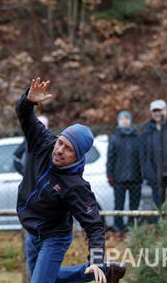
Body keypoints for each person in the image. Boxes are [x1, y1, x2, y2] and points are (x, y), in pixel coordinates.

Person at [16, 77, 126, 283]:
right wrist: (28, 100)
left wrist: (96, 258)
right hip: (33, 231)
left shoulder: (75, 187)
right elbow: (24, 114)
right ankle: (100, 271)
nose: (59, 150)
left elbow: (94, 226)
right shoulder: (42, 142)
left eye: (68, 149)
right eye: (60, 143)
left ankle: (97, 267)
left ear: (78, 156)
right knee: (50, 279)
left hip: (54, 237)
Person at [106, 111, 142, 233]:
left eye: (127, 118)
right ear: (118, 121)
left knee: (134, 206)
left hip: (136, 177)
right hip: (119, 178)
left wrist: (143, 173)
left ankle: (132, 228)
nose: (124, 121)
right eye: (122, 118)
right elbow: (110, 158)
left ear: (130, 121)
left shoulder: (137, 137)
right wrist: (110, 175)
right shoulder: (114, 138)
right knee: (119, 206)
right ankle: (118, 229)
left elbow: (142, 157)